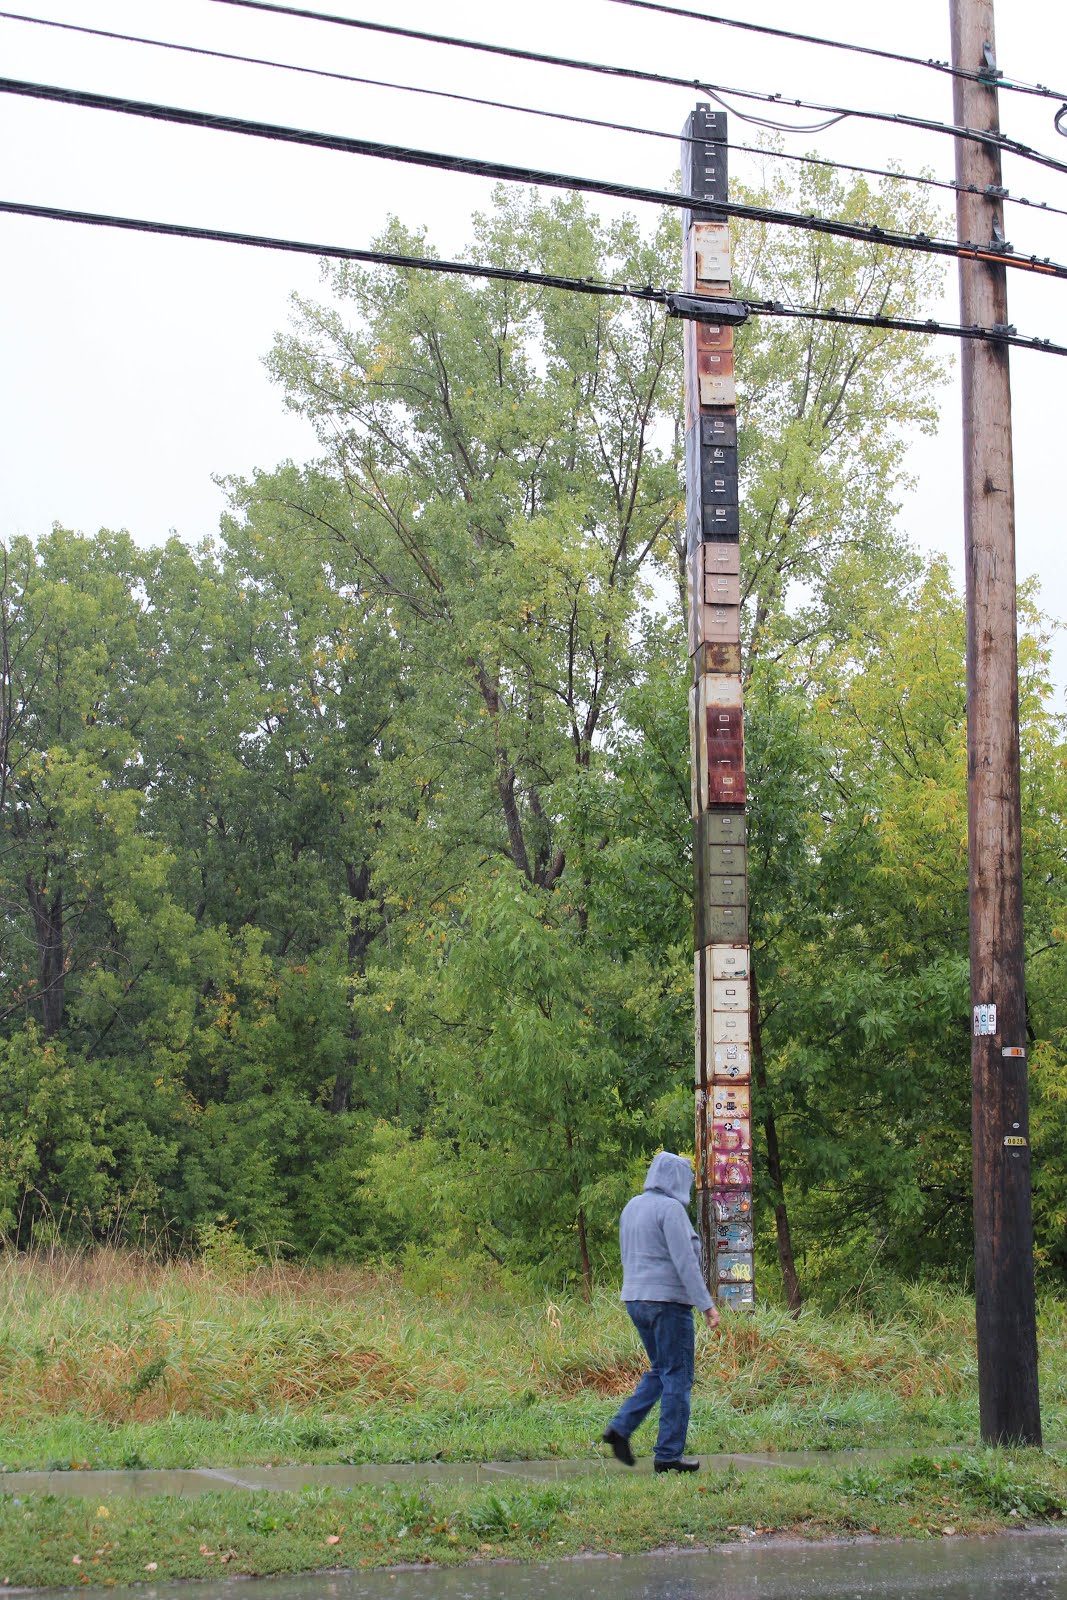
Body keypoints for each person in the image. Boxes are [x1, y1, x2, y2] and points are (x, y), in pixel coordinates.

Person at [602, 1151, 719, 1473]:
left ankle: (621, 1428)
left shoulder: (632, 1206)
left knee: (661, 1370)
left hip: (635, 1299)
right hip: (668, 1303)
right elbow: (686, 1262)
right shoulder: (671, 1210)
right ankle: (668, 1455)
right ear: (678, 1180)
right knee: (678, 1376)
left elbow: (629, 1255)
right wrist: (706, 1304)